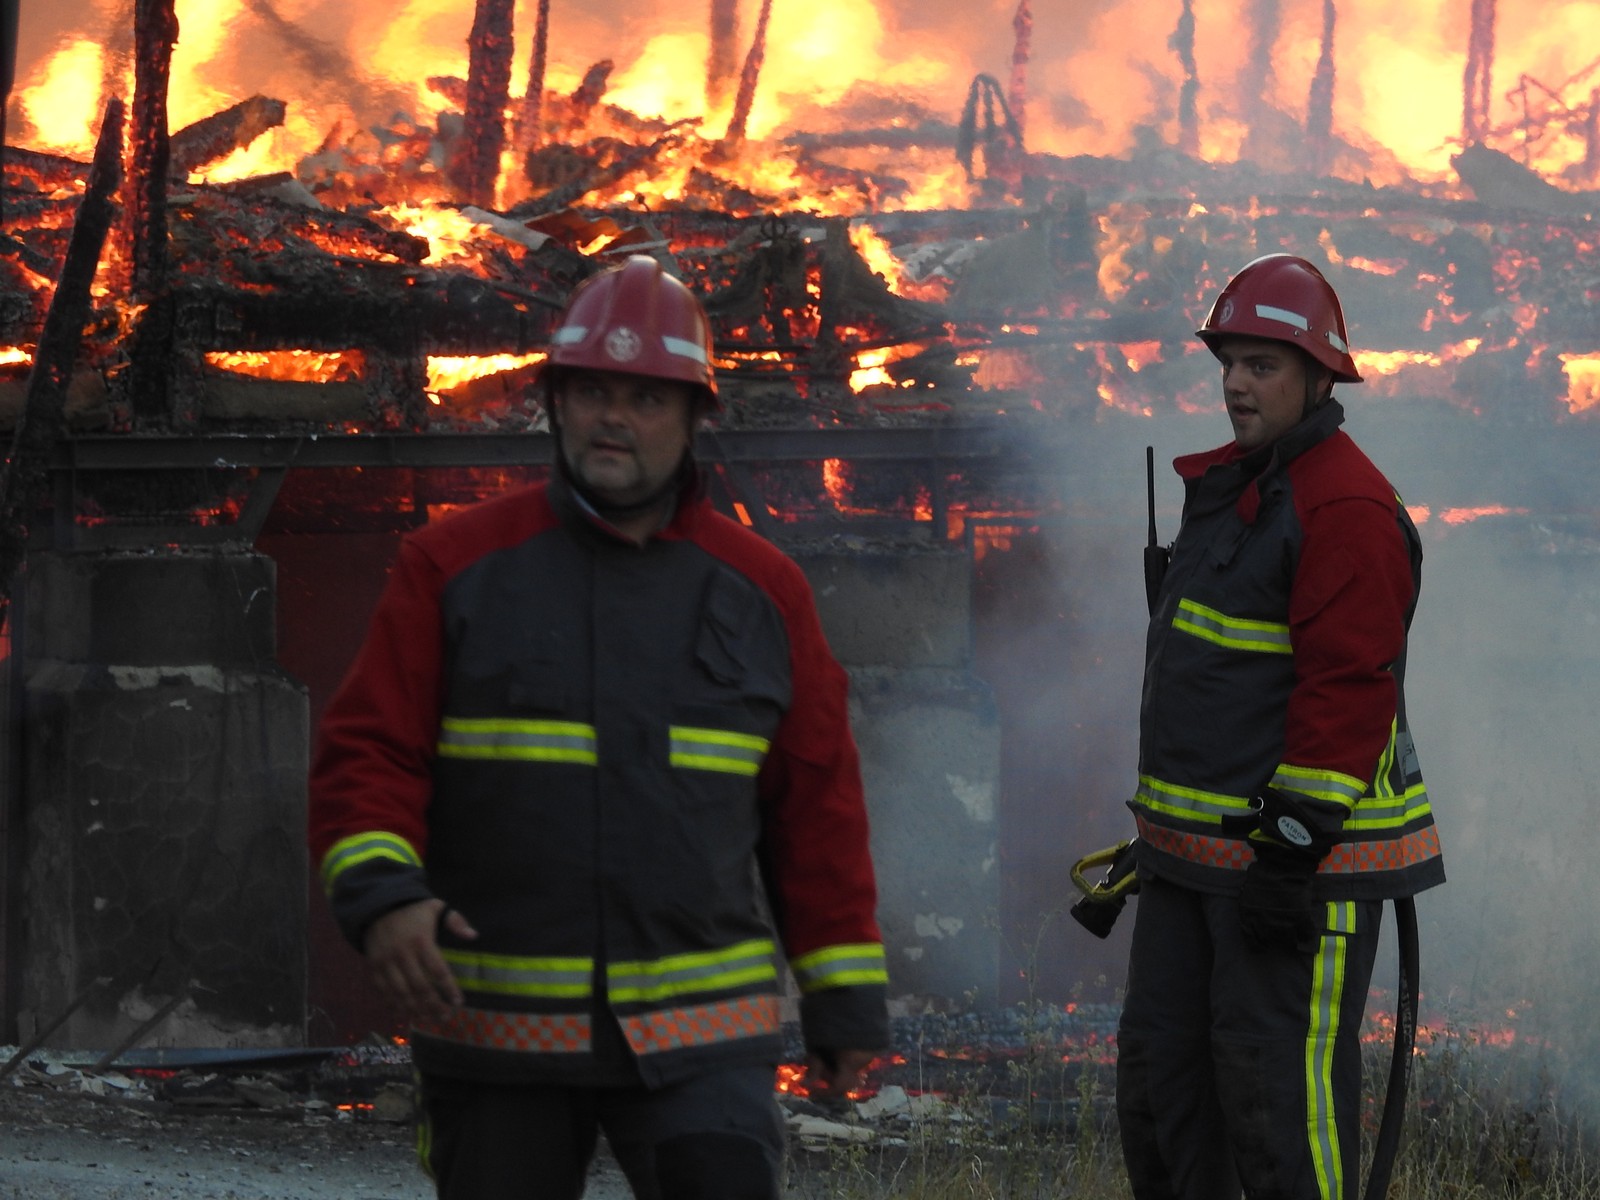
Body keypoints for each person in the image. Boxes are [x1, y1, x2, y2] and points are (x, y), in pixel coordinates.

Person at [308, 255, 890, 1200]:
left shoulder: (763, 592)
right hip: (501, 1032)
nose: (613, 417)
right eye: (591, 392)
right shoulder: (451, 568)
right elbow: (367, 754)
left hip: (702, 1039)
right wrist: (384, 896)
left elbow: (815, 808)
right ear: (556, 404)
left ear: (696, 417)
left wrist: (844, 992)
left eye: (646, 398)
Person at [1113, 254, 1445, 1200]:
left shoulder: (1346, 507)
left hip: (1290, 877)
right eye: (1230, 362)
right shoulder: (1234, 492)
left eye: (1262, 365)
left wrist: (1290, 853)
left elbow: (1347, 691)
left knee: (1280, 1117)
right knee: (1164, 1103)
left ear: (1319, 376)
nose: (1235, 384)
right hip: (1188, 869)